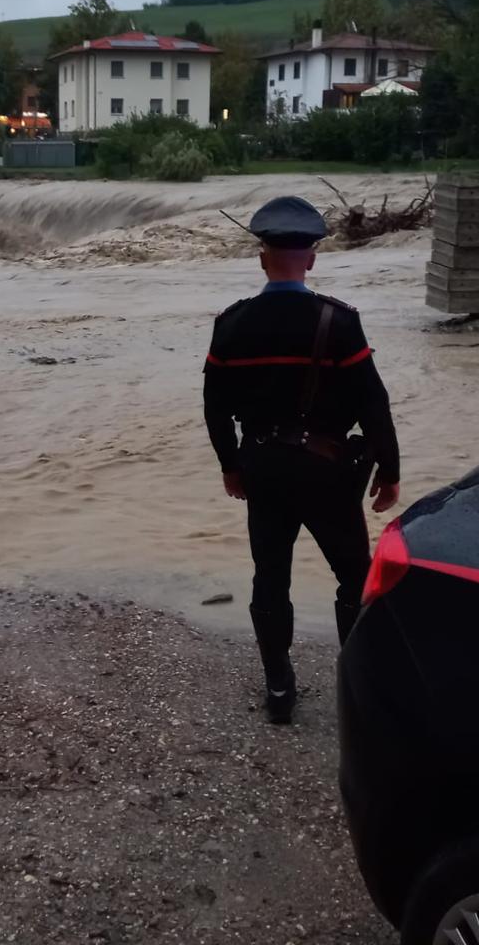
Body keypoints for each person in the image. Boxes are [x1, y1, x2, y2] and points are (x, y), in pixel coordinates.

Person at [202, 195, 400, 724]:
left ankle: (279, 688)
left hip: (263, 469)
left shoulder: (231, 324)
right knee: (354, 574)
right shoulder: (339, 322)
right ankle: (356, 686)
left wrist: (230, 465)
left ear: (262, 256)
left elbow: (215, 408)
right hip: (329, 469)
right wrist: (390, 470)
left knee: (271, 574)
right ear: (311, 258)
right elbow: (372, 400)